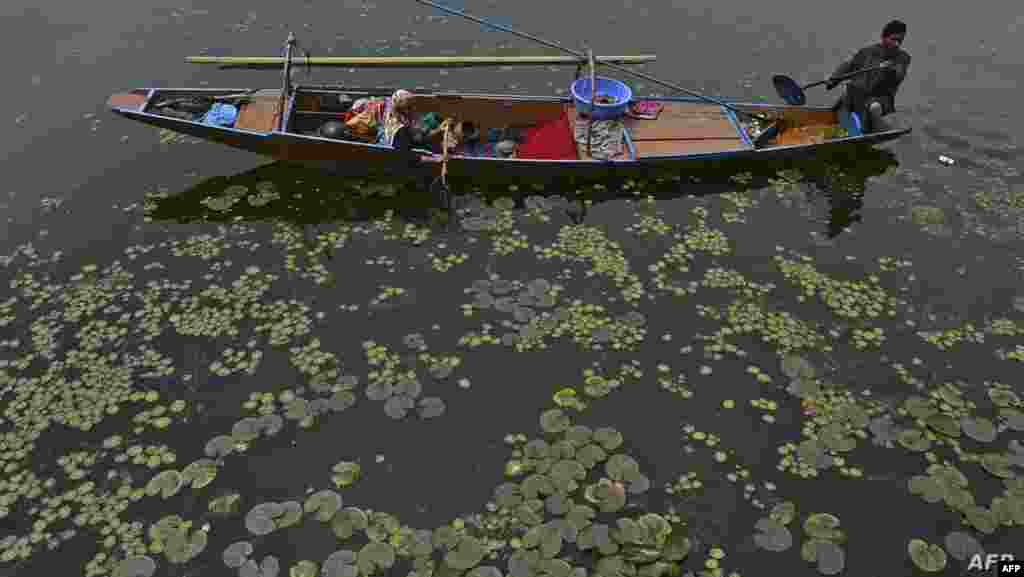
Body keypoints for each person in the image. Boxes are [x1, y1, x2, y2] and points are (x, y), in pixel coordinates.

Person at [827, 20, 910, 132]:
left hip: (880, 99)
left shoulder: (902, 58)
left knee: (874, 107)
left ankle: (875, 130)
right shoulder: (866, 52)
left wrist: (889, 69)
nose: (897, 44)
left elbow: (899, 75)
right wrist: (833, 80)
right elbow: (848, 66)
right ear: (883, 37)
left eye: (900, 41)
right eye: (893, 39)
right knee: (846, 98)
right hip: (856, 95)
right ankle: (847, 125)